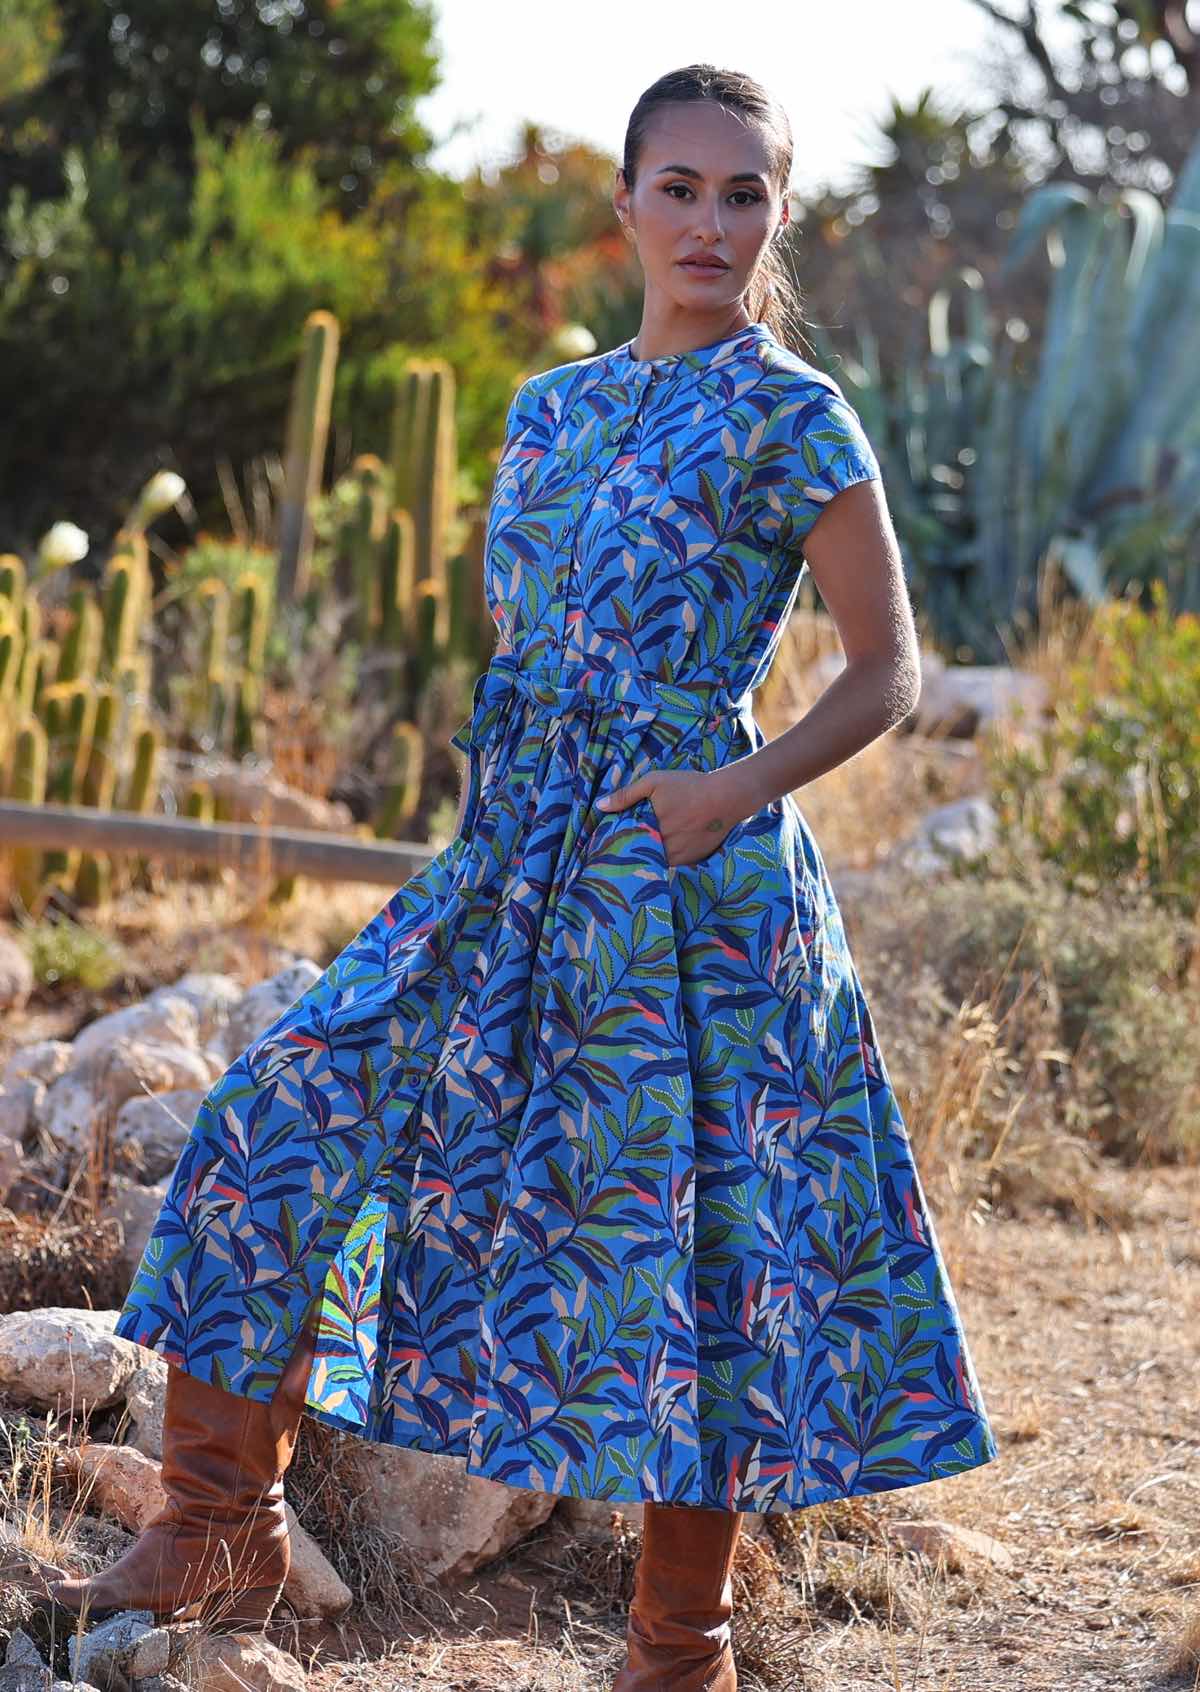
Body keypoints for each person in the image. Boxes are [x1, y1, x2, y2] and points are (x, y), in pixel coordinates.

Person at [46, 62, 999, 1691]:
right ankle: (224, 1522)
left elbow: (885, 671)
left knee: (688, 1269)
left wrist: (730, 786)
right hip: (508, 870)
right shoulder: (546, 410)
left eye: (744, 191)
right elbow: (524, 642)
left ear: (778, 214)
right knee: (277, 1107)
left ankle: (676, 1652)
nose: (710, 221)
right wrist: (509, 820)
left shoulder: (794, 413)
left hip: (688, 891)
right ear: (624, 204)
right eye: (680, 187)